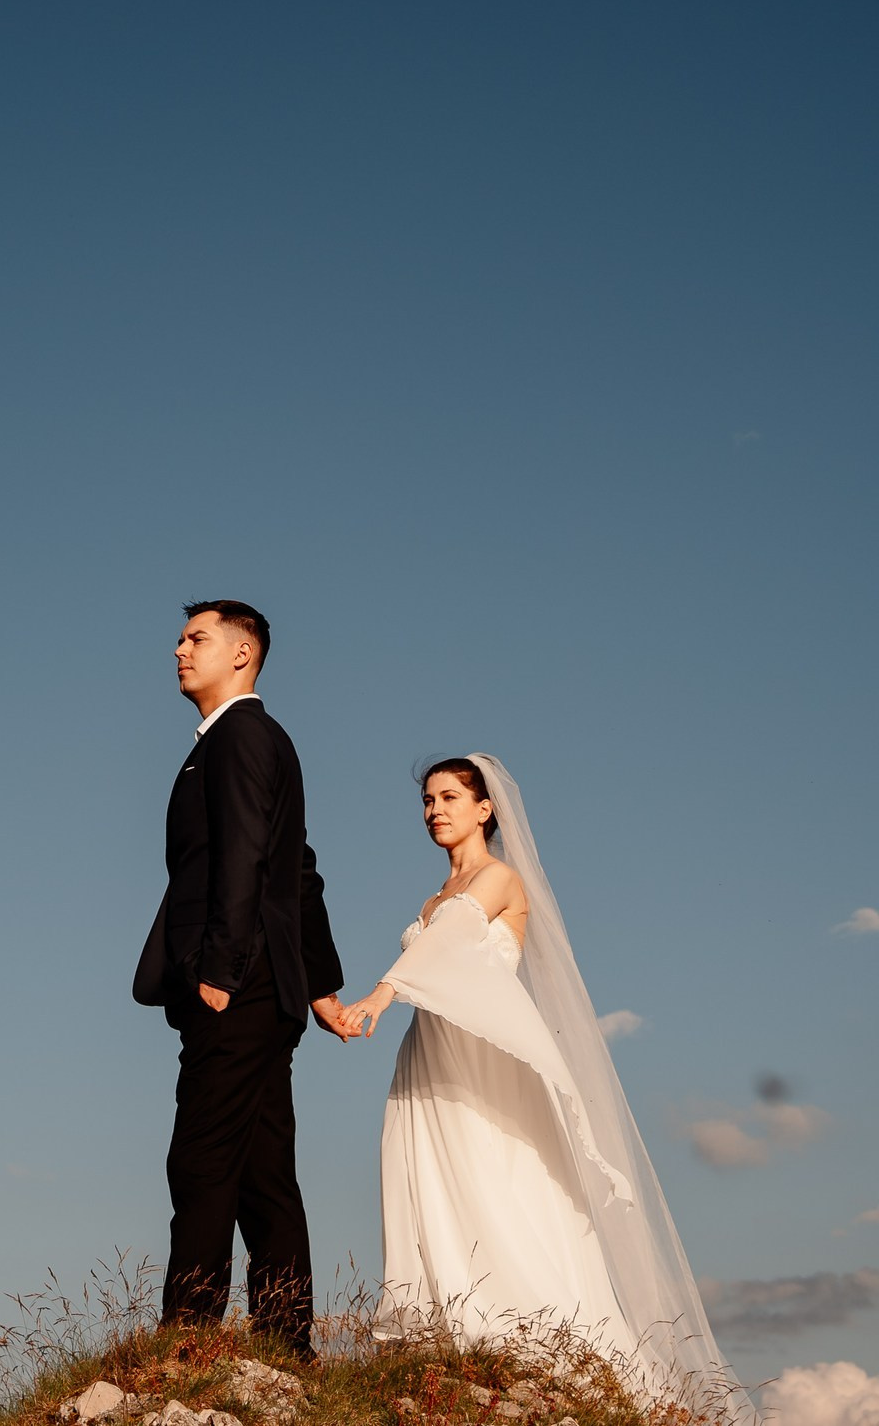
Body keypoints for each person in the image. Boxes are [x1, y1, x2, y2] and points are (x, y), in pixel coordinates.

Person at [338, 756, 738, 1408]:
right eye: (428, 799)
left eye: (448, 796)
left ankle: (528, 1341)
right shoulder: (431, 898)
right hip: (430, 1057)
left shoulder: (497, 878)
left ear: (485, 808)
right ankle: (448, 1336)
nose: (434, 809)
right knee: (426, 1184)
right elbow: (436, 944)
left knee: (498, 1187)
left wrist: (381, 996)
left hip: (482, 1061)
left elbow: (446, 946)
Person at [133, 601, 350, 1356]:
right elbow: (299, 868)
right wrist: (317, 981)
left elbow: (249, 856)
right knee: (262, 1174)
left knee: (199, 1157)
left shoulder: (241, 735)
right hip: (267, 982)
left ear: (242, 654)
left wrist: (220, 970)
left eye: (196, 639)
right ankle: (286, 1345)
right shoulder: (246, 740)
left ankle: (186, 1339)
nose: (178, 650)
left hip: (238, 982)